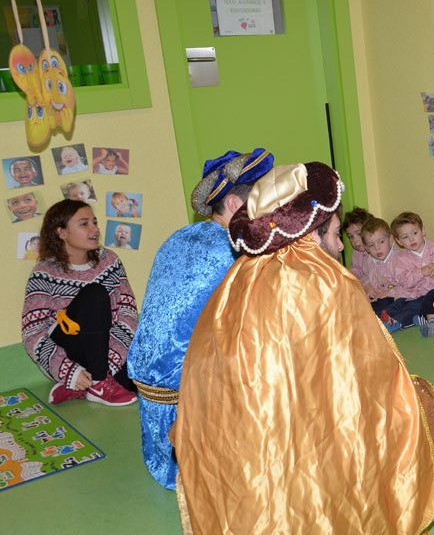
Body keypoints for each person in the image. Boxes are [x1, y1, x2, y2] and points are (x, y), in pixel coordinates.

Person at [171, 161, 434, 535]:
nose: (341, 247)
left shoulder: (240, 281)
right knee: (357, 440)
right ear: (308, 236)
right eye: (336, 235)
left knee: (286, 481)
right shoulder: (321, 281)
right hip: (285, 428)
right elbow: (366, 375)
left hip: (244, 441)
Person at [127, 149, 272, 490]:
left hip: (147, 383)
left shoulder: (180, 236)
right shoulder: (235, 251)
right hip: (186, 393)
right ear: (235, 204)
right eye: (262, 202)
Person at [22, 199, 138, 407]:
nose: (94, 229)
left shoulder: (109, 261)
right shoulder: (44, 273)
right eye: (84, 224)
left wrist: (110, 363)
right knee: (95, 294)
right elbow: (33, 333)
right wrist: (68, 371)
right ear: (61, 232)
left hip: (106, 350)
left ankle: (87, 385)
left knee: (139, 381)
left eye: (94, 222)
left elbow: (128, 315)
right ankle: (95, 382)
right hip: (68, 350)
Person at [360, 217, 427, 330]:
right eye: (371, 245)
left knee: (403, 308)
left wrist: (389, 293)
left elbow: (408, 285)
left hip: (400, 295)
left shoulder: (399, 258)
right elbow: (365, 276)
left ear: (390, 240)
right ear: (366, 248)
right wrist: (368, 286)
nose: (377, 248)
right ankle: (372, 321)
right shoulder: (368, 260)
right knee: (366, 307)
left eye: (381, 242)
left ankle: (390, 322)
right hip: (380, 297)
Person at [342, 207, 373, 287]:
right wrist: (350, 274)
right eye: (350, 236)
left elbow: (376, 274)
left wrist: (364, 284)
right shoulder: (357, 252)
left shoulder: (376, 251)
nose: (354, 240)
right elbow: (357, 269)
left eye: (358, 234)